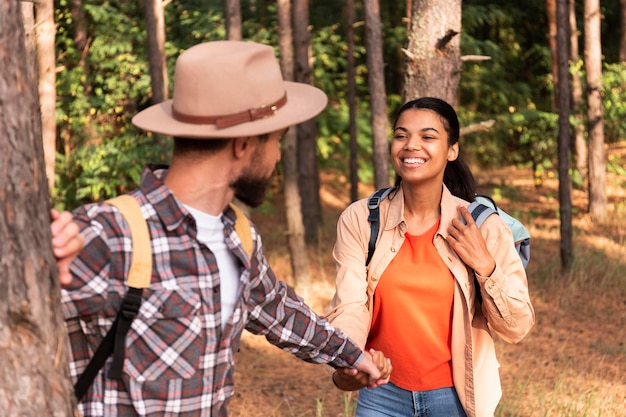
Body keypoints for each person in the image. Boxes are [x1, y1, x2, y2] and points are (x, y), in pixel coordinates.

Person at [58, 40, 391, 417]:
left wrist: (352, 355)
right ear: (244, 144)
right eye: (277, 142)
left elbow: (277, 310)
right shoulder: (108, 234)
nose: (278, 157)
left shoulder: (239, 235)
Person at [325, 97, 535, 417]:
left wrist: (485, 265)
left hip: (455, 398)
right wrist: (351, 360)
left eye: (427, 137)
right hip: (382, 396)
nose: (411, 146)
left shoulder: (483, 227)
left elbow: (517, 327)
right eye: (401, 135)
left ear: (452, 150)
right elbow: (350, 305)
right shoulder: (361, 219)